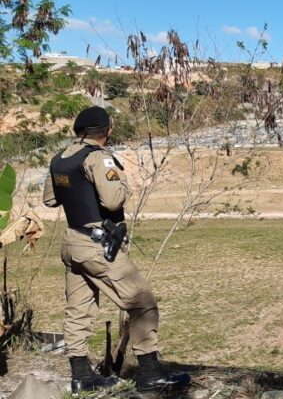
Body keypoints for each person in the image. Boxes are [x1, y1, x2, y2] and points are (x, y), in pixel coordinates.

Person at [43, 106, 191, 393]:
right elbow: (112, 201)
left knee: (78, 309)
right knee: (142, 301)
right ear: (107, 131)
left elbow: (51, 200)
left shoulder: (59, 160)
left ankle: (81, 376)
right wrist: (124, 184)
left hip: (72, 242)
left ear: (78, 129)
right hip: (97, 246)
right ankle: (150, 373)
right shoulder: (99, 158)